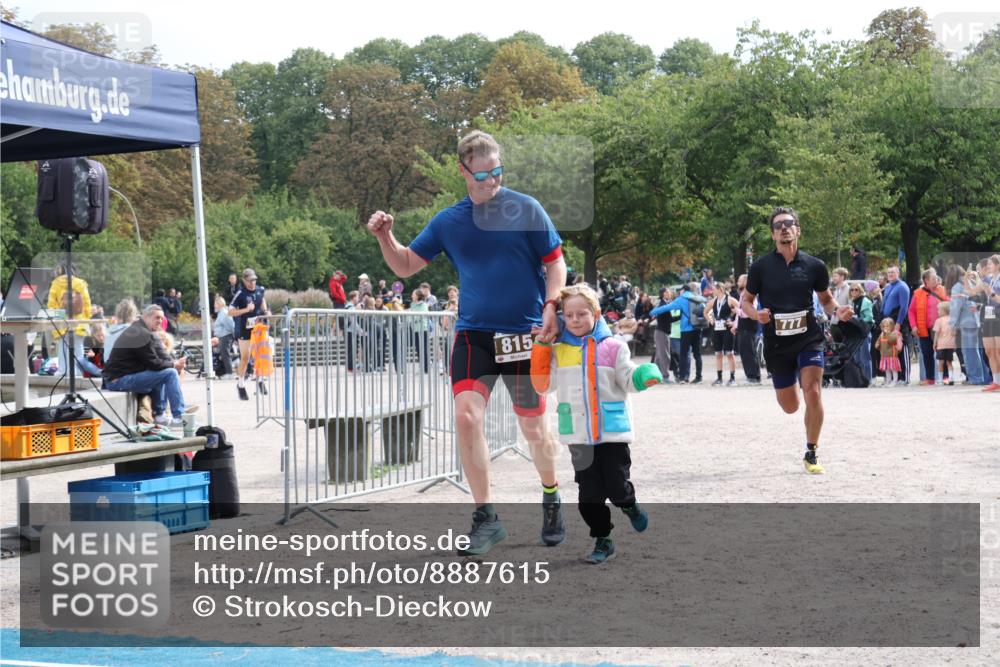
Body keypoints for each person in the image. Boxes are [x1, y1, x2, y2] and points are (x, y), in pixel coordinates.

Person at [367, 129, 567, 556]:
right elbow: (405, 265)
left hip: (523, 334)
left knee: (533, 426)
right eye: (482, 174)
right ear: (463, 171)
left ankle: (551, 495)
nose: (492, 181)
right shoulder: (449, 221)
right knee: (466, 416)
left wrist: (552, 305)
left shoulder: (526, 209)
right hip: (474, 334)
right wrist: (385, 237)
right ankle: (486, 518)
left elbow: (556, 264)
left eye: (497, 172)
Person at [529, 285, 661, 564]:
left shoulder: (614, 347)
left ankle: (630, 505)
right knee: (588, 497)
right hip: (578, 436)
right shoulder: (558, 351)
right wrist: (541, 349)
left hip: (612, 433)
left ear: (596, 314)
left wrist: (644, 376)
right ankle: (603, 539)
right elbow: (543, 386)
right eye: (568, 315)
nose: (575, 320)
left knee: (617, 487)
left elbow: (629, 379)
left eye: (582, 314)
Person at [741, 207, 853, 474]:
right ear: (772, 235)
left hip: (808, 337)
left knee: (813, 390)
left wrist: (837, 311)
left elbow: (826, 299)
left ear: (798, 230)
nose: (784, 228)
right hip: (777, 343)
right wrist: (756, 314)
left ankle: (811, 452)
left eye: (789, 223)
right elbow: (746, 301)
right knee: (790, 406)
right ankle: (792, 388)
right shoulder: (760, 268)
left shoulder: (814, 266)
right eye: (778, 225)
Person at [102, 304, 193, 427]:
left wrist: (174, 363)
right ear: (146, 317)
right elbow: (154, 363)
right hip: (117, 380)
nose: (160, 321)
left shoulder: (141, 330)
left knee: (164, 372)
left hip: (121, 377)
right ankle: (179, 417)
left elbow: (159, 357)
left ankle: (160, 416)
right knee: (169, 373)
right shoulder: (140, 334)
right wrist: (174, 364)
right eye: (157, 317)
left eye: (162, 318)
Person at [46, 265, 102, 378]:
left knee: (63, 347)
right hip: (79, 323)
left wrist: (60, 316)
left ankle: (63, 371)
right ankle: (78, 372)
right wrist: (86, 317)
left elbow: (51, 306)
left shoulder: (55, 284)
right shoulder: (80, 283)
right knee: (78, 347)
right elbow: (87, 304)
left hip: (62, 323)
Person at [649, 284, 706, 384]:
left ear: (683, 291)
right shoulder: (698, 298)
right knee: (697, 354)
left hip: (686, 330)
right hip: (697, 328)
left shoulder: (681, 299)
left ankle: (683, 378)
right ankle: (698, 377)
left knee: (684, 354)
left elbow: (666, 308)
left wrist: (653, 312)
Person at [229, 268, 270, 400]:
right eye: (250, 281)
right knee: (245, 358)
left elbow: (262, 299)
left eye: (254, 280)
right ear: (244, 280)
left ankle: (260, 380)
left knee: (260, 355)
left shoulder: (260, 289)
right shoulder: (240, 293)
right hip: (244, 329)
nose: (252, 283)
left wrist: (266, 311)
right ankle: (240, 384)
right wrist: (246, 309)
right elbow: (230, 312)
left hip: (257, 327)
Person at [907, 268, 949, 386]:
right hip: (924, 328)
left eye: (936, 277)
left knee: (943, 353)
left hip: (940, 328)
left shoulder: (942, 290)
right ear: (926, 280)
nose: (936, 279)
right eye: (933, 278)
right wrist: (913, 326)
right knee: (927, 353)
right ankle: (930, 378)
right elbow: (911, 311)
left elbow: (950, 304)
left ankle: (945, 377)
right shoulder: (917, 293)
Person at [949, 265, 986, 385]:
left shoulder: (957, 287)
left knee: (969, 351)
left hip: (967, 322)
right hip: (976, 321)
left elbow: (955, 308)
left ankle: (975, 378)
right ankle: (983, 377)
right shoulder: (971, 283)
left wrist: (952, 325)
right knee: (977, 351)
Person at [880, 266, 911, 383]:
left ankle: (905, 378)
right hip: (888, 321)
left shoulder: (902, 286)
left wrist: (899, 322)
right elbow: (884, 304)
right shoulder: (888, 287)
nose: (890, 274)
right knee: (891, 349)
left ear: (898, 273)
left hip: (898, 319)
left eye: (892, 272)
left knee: (902, 346)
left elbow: (904, 307)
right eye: (888, 272)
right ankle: (895, 377)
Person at [705, 282, 739, 386]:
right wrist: (710, 320)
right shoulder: (713, 301)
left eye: (714, 289)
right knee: (718, 354)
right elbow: (705, 312)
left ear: (720, 289)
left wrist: (734, 322)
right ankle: (719, 378)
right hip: (716, 329)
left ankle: (732, 378)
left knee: (729, 353)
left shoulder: (730, 299)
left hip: (727, 329)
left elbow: (741, 310)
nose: (712, 291)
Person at [734, 274, 762, 385]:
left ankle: (753, 376)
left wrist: (738, 311)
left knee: (749, 351)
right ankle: (751, 375)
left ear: (745, 281)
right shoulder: (742, 294)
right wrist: (735, 325)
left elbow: (751, 310)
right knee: (745, 351)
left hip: (748, 326)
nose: (737, 283)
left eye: (739, 280)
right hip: (743, 327)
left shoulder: (749, 295)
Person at [979, 255, 1000, 391]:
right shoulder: (989, 279)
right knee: (989, 350)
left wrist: (991, 293)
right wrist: (969, 278)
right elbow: (973, 289)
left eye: (990, 264)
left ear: (998, 265)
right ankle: (996, 381)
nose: (988, 266)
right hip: (989, 314)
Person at [847, 283, 875, 384]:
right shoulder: (853, 302)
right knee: (856, 358)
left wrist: (857, 319)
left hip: (864, 333)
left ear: (860, 290)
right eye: (852, 290)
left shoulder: (865, 301)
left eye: (856, 289)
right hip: (856, 333)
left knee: (865, 357)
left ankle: (868, 380)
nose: (854, 291)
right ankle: (859, 380)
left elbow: (869, 318)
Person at [933, 301, 957, 385]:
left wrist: (934, 343)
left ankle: (940, 379)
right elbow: (955, 333)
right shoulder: (953, 320)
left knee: (941, 362)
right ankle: (951, 378)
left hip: (941, 345)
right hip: (950, 344)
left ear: (943, 311)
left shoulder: (939, 321)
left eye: (939, 310)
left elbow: (936, 333)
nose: (938, 312)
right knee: (949, 362)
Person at [213, 295, 236, 378]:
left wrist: (233, 335)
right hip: (223, 336)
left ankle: (230, 373)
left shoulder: (224, 313)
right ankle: (226, 372)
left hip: (226, 336)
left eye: (215, 304)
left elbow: (230, 325)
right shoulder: (221, 313)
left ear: (219, 304)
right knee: (223, 355)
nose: (214, 305)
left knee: (225, 355)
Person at [878, 318, 903, 385]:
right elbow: (879, 342)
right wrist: (878, 344)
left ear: (892, 326)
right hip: (885, 356)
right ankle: (888, 381)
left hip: (892, 355)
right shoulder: (882, 334)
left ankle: (895, 381)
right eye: (884, 326)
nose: (886, 328)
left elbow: (892, 340)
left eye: (887, 326)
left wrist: (888, 334)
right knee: (887, 369)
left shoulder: (894, 334)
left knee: (893, 369)